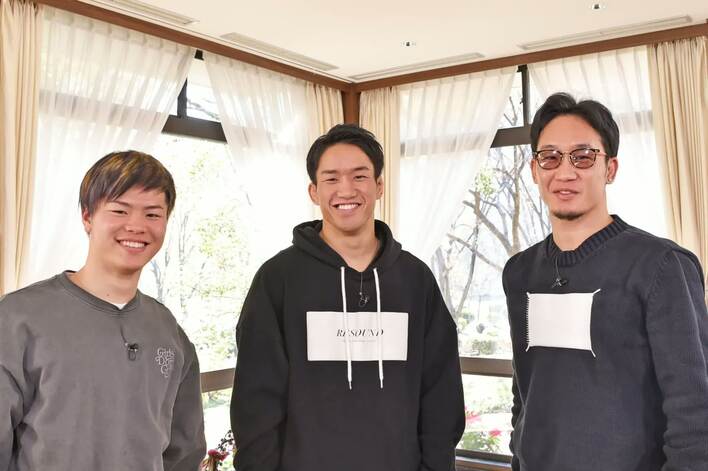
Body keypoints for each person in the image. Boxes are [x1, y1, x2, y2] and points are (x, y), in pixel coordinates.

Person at [230, 124, 465, 471]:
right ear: (313, 191)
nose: (346, 189)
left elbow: (440, 395)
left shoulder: (416, 280)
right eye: (331, 178)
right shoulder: (278, 279)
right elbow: (256, 405)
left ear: (379, 185)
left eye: (359, 176)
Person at [503, 93, 708, 471]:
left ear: (610, 169)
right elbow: (524, 393)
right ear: (534, 169)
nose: (565, 172)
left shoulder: (662, 266)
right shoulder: (519, 272)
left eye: (583, 156)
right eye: (550, 157)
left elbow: (695, 411)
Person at [0, 151, 206, 470]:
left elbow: (184, 451)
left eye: (153, 214)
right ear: (87, 217)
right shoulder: (18, 317)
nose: (136, 226)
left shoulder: (168, 330)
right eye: (120, 210)